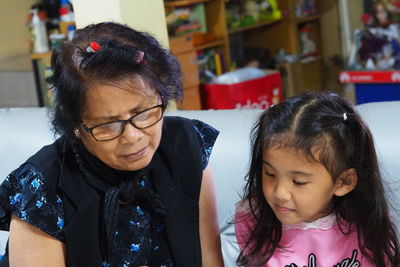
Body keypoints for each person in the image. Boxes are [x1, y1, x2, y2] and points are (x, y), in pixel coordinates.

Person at [0, 22, 224, 267]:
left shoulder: (187, 144)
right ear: (76, 125)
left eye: (143, 112)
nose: (132, 137)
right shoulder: (41, 188)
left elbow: (210, 260)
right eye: (107, 124)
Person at [234, 92, 400, 266]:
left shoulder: (368, 224)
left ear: (344, 182)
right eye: (270, 174)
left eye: (299, 182)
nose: (280, 193)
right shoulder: (252, 220)